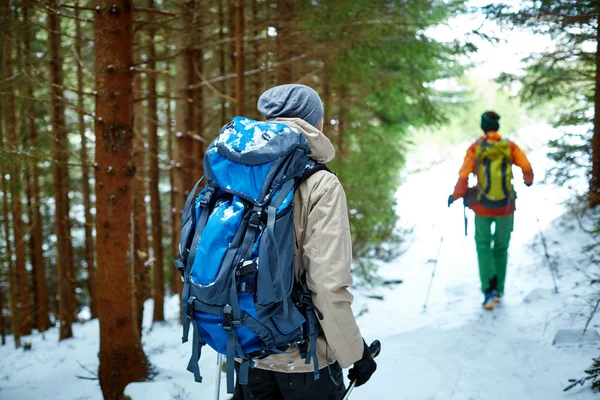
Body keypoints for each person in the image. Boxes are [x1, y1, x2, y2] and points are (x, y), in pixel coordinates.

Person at [233, 84, 377, 399]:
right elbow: (326, 284)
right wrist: (356, 353)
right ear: (316, 123)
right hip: (304, 360)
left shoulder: (239, 171)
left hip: (246, 350)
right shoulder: (320, 183)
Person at [448, 111, 534, 310]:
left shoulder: (476, 148)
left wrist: (455, 196)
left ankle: (487, 290)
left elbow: (464, 175)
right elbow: (526, 167)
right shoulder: (509, 146)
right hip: (506, 206)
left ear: (482, 126)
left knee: (483, 248)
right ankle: (499, 290)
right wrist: (528, 182)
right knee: (501, 248)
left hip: (482, 207)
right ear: (497, 126)